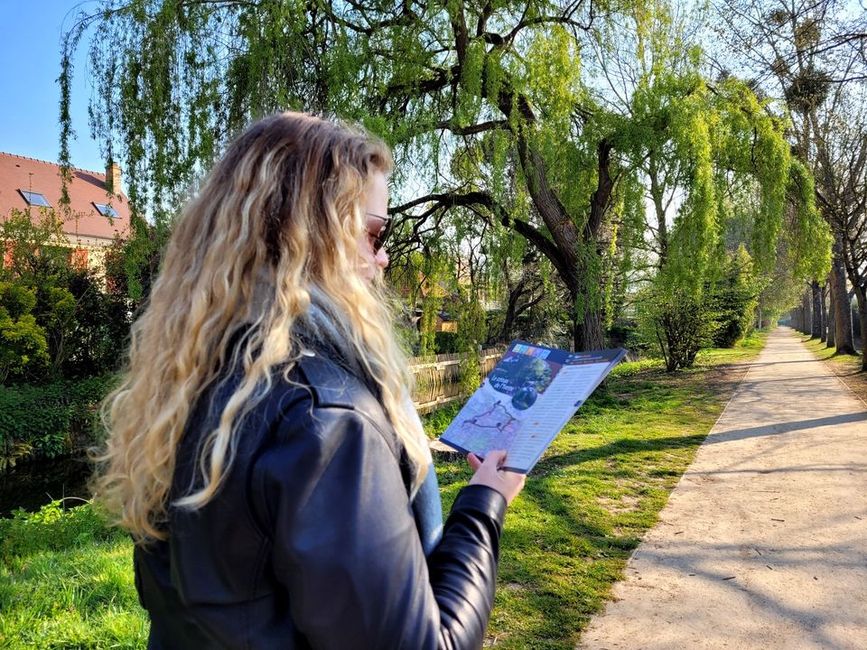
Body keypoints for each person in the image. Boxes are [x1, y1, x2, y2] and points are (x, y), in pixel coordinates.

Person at [95, 111, 525, 649]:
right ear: (309, 239)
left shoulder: (189, 387)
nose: (383, 257)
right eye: (372, 234)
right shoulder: (328, 421)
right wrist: (483, 505)